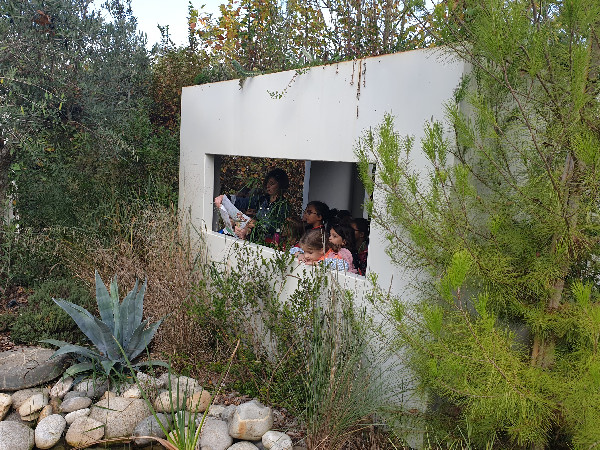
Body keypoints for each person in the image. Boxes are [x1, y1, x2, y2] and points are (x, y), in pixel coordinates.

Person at [215, 168, 291, 243]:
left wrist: (255, 224)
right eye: (267, 183)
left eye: (272, 184)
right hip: (253, 239)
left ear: (280, 185)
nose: (268, 186)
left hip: (269, 243)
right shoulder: (263, 199)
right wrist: (224, 198)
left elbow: (275, 227)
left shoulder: (283, 206)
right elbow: (243, 202)